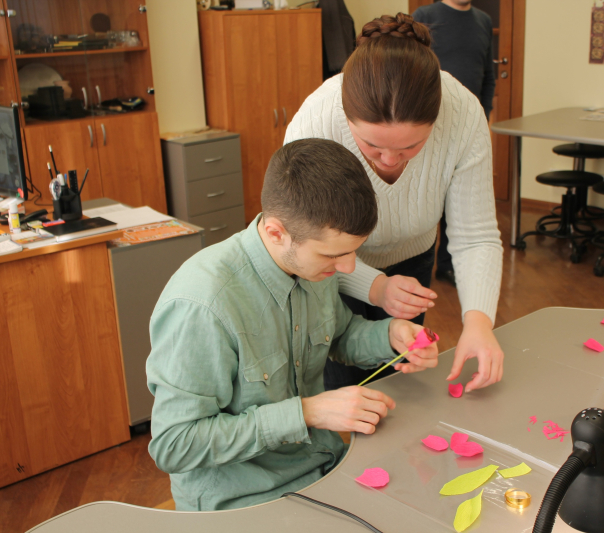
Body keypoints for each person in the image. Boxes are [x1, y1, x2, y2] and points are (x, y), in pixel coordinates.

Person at [146, 138, 440, 511]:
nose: (350, 269)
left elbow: (341, 333)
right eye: (334, 255)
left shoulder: (313, 263)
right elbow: (174, 445)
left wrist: (391, 335)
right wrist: (308, 412)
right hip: (242, 501)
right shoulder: (202, 305)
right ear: (275, 233)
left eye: (354, 250)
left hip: (322, 467)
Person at [285, 13, 504, 394]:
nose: (389, 160)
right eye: (372, 146)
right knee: (342, 389)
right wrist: (375, 286)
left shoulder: (463, 114)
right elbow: (303, 245)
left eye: (410, 148)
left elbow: (476, 236)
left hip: (412, 260)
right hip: (328, 270)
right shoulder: (316, 122)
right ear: (346, 117)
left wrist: (479, 323)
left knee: (400, 386)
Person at [414, 0, 496, 286]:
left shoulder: (483, 21)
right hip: (428, 122)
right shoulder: (425, 16)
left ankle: (449, 265)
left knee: (460, 199)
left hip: (468, 126)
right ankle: (418, 260)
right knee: (429, 195)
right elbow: (414, 67)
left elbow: (488, 78)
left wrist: (482, 119)